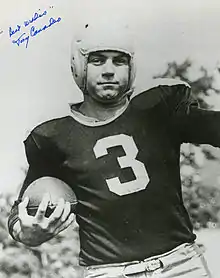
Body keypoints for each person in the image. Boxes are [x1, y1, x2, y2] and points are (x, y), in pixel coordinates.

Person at [8, 18, 216, 278]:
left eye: (119, 61)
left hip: (181, 265)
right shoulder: (52, 137)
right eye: (97, 60)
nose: (109, 70)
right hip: (108, 272)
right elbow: (19, 215)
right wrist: (28, 232)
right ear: (79, 65)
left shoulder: (159, 110)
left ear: (131, 67)